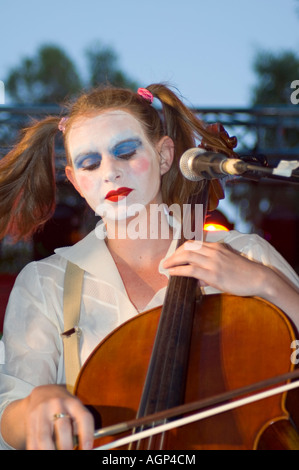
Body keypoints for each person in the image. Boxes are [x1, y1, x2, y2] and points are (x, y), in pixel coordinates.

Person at [0, 84, 298, 451]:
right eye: (90, 164)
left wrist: (268, 284)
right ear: (76, 182)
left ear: (163, 155)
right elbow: (9, 414)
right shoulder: (45, 283)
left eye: (125, 152)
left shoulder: (247, 255)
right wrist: (34, 405)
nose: (110, 173)